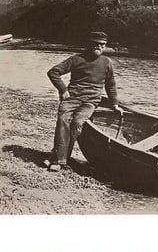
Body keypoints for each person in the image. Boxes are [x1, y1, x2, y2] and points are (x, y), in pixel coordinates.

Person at [45, 31, 123, 172]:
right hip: (72, 97)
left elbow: (110, 85)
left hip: (91, 100)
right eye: (96, 44)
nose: (99, 47)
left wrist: (115, 104)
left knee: (77, 123)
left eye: (102, 45)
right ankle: (59, 159)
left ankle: (57, 156)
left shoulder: (107, 62)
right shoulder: (76, 59)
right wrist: (63, 90)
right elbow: (53, 72)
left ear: (105, 46)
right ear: (89, 45)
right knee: (63, 119)